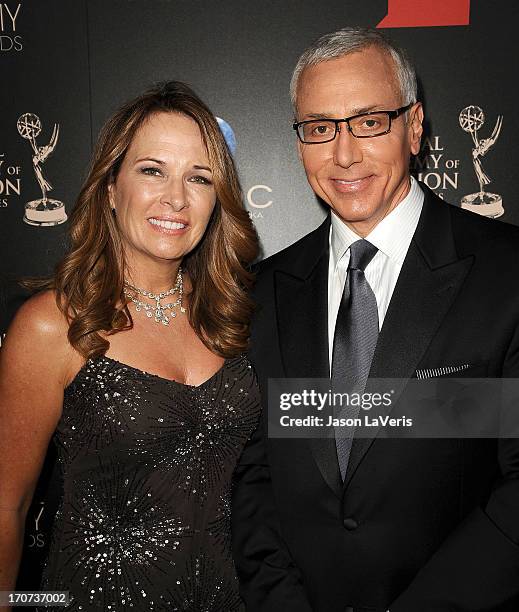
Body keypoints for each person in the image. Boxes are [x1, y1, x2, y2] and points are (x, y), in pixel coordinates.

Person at [232, 27, 519, 612]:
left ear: (414, 127)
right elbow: (256, 477)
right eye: (320, 129)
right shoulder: (261, 294)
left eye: (369, 121)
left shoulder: (507, 273)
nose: (344, 154)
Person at [0, 81, 260, 611]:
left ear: (218, 200)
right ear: (111, 187)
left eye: (200, 178)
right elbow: (7, 505)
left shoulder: (235, 316)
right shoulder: (53, 324)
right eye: (152, 170)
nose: (176, 198)